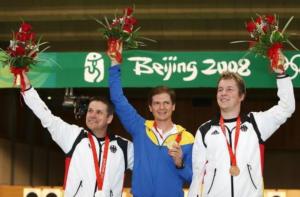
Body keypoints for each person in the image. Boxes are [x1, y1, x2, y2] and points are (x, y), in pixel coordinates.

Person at [21, 72, 133, 197]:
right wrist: (27, 89)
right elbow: (47, 118)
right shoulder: (74, 136)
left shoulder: (124, 147)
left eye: (99, 112)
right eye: (90, 110)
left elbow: (149, 167)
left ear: (109, 118)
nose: (92, 115)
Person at [188, 70, 295, 197]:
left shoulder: (256, 123)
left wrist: (281, 74)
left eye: (229, 89)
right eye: (220, 89)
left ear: (241, 95)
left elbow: (286, 107)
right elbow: (197, 174)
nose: (223, 93)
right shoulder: (205, 130)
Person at [107, 43, 194, 197]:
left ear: (173, 106)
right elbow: (118, 99)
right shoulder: (140, 127)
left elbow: (193, 177)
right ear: (150, 108)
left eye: (166, 103)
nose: (162, 107)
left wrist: (180, 164)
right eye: (157, 103)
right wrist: (115, 64)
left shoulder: (187, 138)